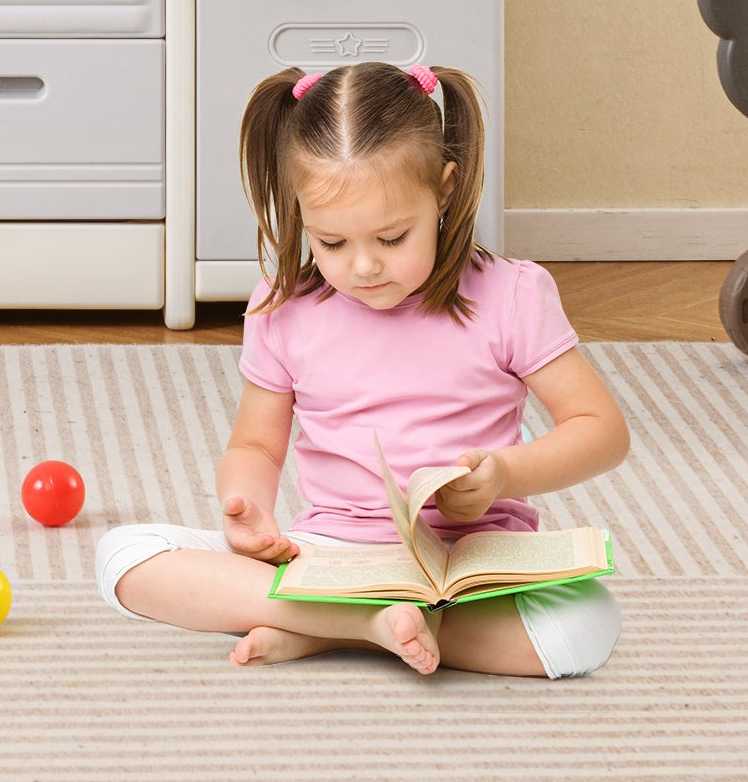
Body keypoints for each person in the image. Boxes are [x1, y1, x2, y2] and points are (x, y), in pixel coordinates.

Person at [95, 62, 629, 677]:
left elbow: (601, 430)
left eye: (393, 237)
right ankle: (362, 621)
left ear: (446, 190)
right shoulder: (283, 308)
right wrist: (244, 504)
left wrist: (506, 472)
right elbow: (255, 445)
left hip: (471, 564)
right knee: (124, 555)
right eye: (332, 243)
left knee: (586, 627)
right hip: (333, 556)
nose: (364, 267)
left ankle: (321, 625)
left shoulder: (510, 296)